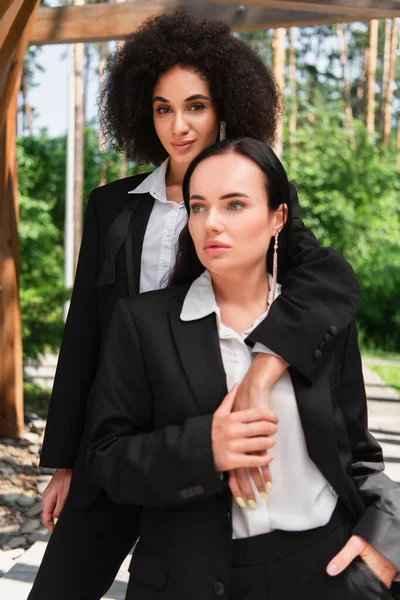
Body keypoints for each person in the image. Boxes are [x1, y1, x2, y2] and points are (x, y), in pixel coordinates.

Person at [29, 11, 361, 600]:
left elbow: (328, 279)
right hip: (125, 435)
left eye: (196, 106)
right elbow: (85, 333)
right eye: (162, 107)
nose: (178, 126)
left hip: (204, 429)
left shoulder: (253, 196)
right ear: (141, 110)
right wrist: (65, 462)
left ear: (225, 104)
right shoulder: (113, 207)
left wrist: (264, 372)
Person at [87, 138, 400, 600]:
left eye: (234, 204)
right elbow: (107, 460)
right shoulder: (142, 323)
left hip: (328, 571)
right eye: (198, 207)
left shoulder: (321, 324)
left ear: (278, 218)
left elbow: (358, 458)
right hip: (188, 578)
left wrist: (386, 546)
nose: (211, 223)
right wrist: (204, 447)